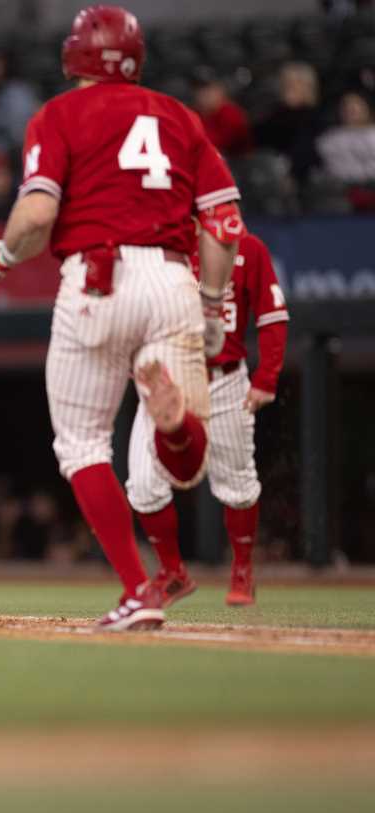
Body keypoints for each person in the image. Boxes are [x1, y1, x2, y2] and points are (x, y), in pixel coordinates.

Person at [0, 5, 244, 631]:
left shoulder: (59, 114)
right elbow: (225, 227)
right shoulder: (180, 115)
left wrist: (5, 252)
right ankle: (172, 427)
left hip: (99, 279)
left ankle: (136, 589)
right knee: (186, 462)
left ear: (75, 55)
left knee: (83, 444)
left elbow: (37, 216)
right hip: (174, 279)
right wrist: (210, 304)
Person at [126, 229, 288, 607]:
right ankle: (173, 572)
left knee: (238, 485)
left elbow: (272, 314)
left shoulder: (248, 246)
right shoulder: (154, 248)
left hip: (224, 379)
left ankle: (243, 568)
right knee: (143, 487)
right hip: (168, 383)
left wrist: (267, 377)